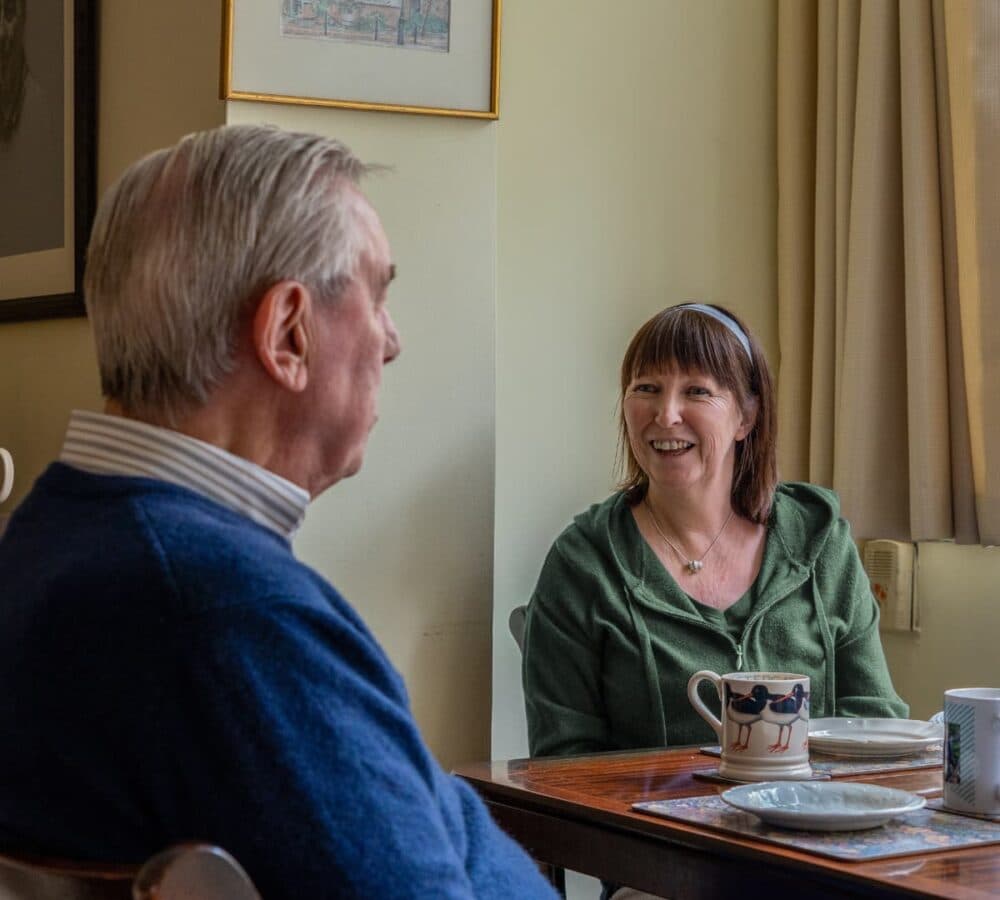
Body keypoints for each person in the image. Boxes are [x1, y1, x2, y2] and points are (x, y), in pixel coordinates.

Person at [0, 125, 555, 900]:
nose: (391, 341)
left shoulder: (49, 536)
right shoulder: (223, 610)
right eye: (378, 294)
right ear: (288, 331)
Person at [523, 302, 907, 760]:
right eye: (646, 388)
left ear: (746, 417)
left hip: (813, 823)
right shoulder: (584, 562)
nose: (666, 414)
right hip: (650, 828)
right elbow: (562, 765)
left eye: (697, 391)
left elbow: (875, 719)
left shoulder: (819, 542)